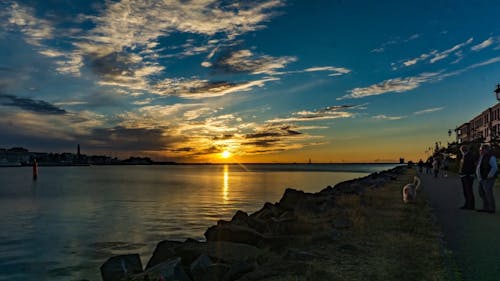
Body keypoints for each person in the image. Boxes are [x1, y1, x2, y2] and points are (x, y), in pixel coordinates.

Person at [476, 144, 497, 213]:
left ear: (486, 150)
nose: (480, 151)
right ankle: (486, 207)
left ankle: (491, 208)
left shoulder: (491, 157)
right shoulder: (481, 157)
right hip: (481, 178)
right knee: (481, 193)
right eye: (480, 150)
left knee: (488, 193)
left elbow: (494, 167)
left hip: (487, 178)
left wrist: (489, 175)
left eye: (482, 150)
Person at [458, 145, 475, 210]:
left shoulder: (469, 156)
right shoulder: (464, 156)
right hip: (464, 175)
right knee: (466, 191)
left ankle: (470, 206)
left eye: (461, 151)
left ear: (463, 150)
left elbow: (470, 166)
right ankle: (467, 204)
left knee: (468, 191)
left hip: (467, 176)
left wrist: (466, 174)